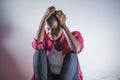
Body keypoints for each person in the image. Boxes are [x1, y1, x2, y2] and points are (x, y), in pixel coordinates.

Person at [32, 6, 84, 80]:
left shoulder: (73, 36)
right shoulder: (44, 37)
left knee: (73, 55)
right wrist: (44, 18)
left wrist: (64, 25)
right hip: (49, 77)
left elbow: (77, 49)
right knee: (38, 52)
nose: (50, 33)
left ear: (61, 28)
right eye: (48, 29)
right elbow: (36, 44)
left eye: (55, 29)